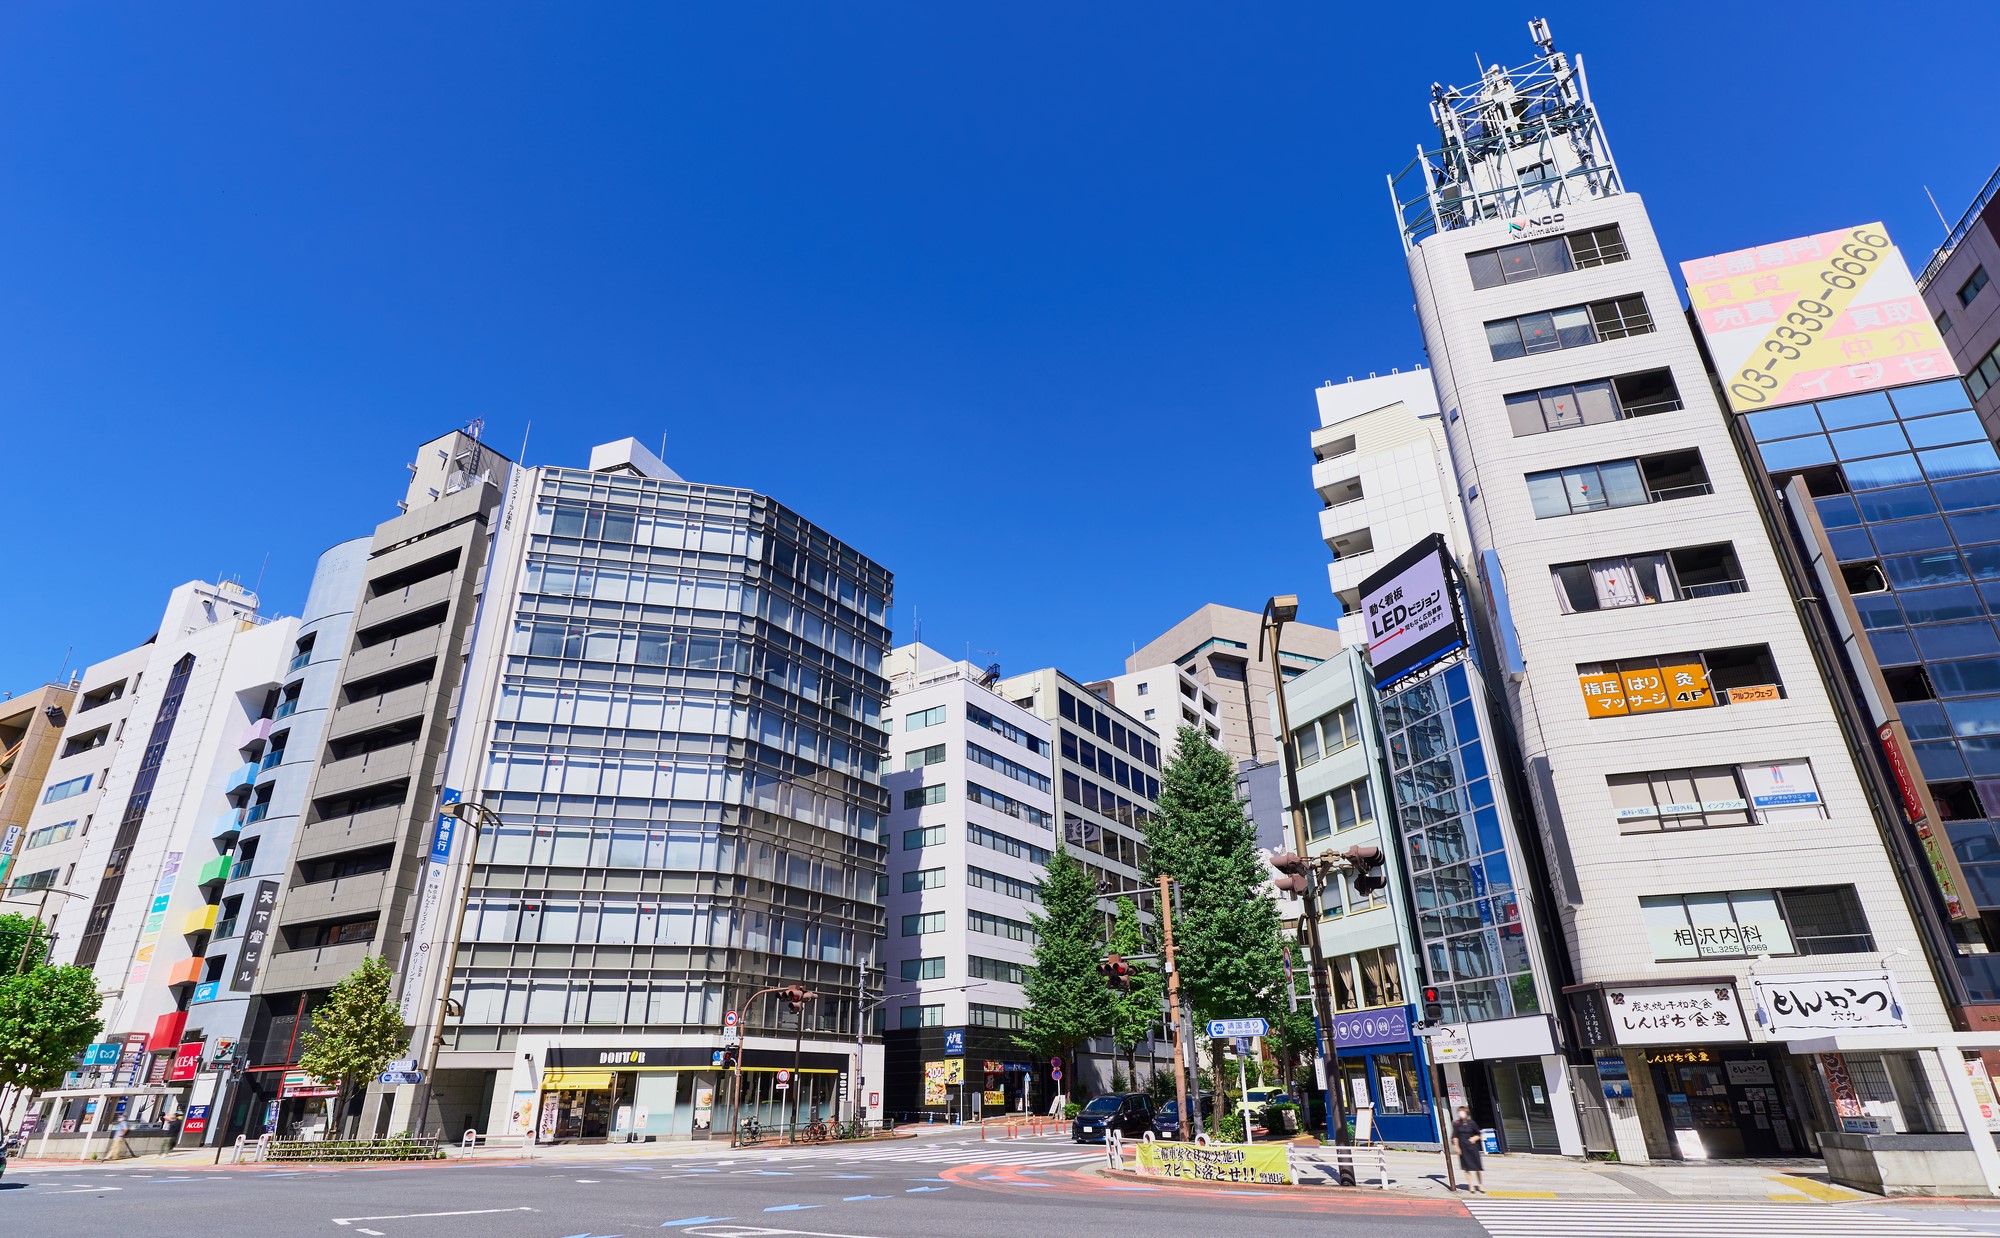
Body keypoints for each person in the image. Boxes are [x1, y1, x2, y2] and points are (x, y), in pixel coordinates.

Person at [1451, 1107, 1485, 1193]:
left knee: (1477, 1167)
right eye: (1459, 1112)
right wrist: (1456, 1147)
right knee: (1466, 1167)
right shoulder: (1457, 1124)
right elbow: (1455, 1136)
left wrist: (1474, 1138)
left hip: (1473, 1147)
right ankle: (1471, 1185)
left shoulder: (1472, 1123)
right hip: (1463, 1147)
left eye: (1462, 1112)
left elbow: (1478, 1133)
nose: (1461, 1114)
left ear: (1467, 1113)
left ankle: (1480, 1185)